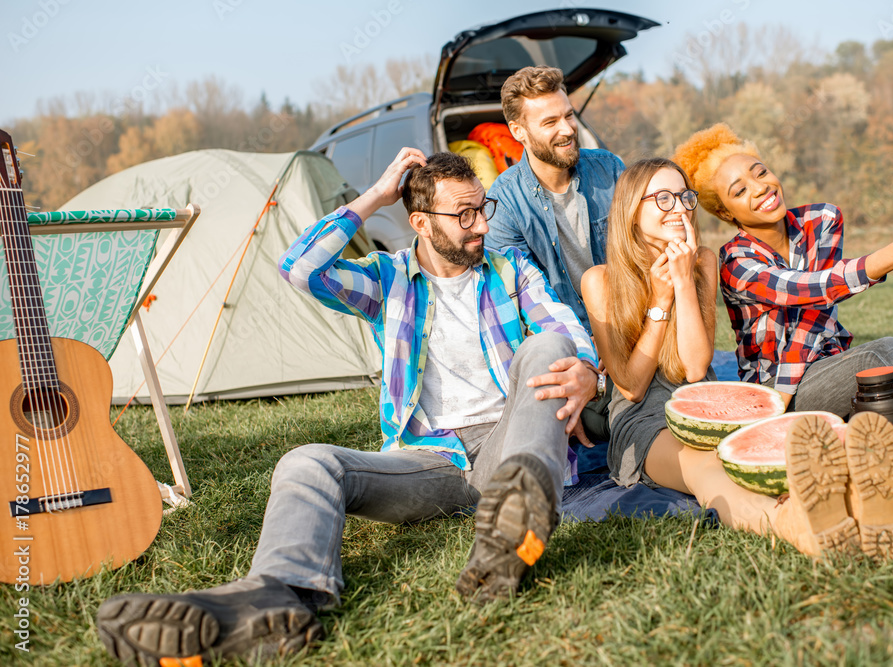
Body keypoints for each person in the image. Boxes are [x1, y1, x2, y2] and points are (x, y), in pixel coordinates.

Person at [96, 149, 600, 665]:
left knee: (551, 348)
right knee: (307, 461)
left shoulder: (510, 269)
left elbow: (565, 329)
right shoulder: (388, 280)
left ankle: (519, 526)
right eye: (463, 214)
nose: (479, 226)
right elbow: (299, 268)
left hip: (508, 444)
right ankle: (278, 596)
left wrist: (588, 369)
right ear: (420, 223)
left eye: (482, 209)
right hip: (431, 462)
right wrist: (377, 195)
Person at [580, 157, 893, 560]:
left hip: (709, 405)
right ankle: (796, 528)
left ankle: (859, 504)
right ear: (632, 211)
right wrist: (661, 299)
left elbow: (694, 368)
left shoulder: (702, 262)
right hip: (643, 420)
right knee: (707, 470)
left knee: (764, 457)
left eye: (684, 197)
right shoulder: (600, 280)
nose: (680, 208)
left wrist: (683, 283)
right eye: (662, 199)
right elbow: (630, 386)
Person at [672, 122, 893, 496]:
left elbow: (818, 306)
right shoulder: (736, 261)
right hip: (778, 392)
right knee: (879, 355)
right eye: (740, 190)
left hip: (832, 371)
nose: (760, 187)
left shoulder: (822, 220)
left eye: (760, 171)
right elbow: (806, 291)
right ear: (727, 213)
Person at [485, 65, 625, 441]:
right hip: (570, 343)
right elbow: (524, 305)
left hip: (629, 328)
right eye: (550, 122)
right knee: (598, 422)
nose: (566, 129)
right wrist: (586, 361)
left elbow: (640, 258)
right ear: (519, 131)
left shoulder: (610, 170)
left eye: (568, 115)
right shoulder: (503, 204)